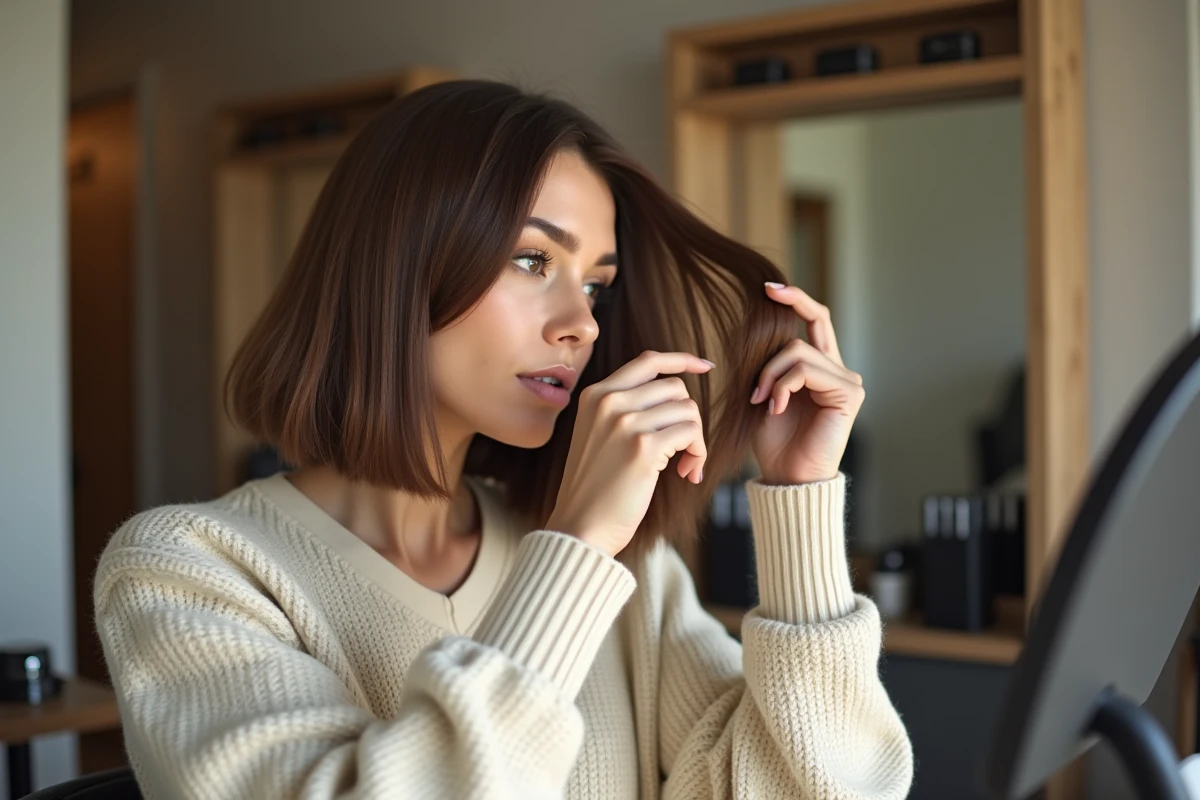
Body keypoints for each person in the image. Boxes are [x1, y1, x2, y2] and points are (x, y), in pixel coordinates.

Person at [93, 79, 914, 799]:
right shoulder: (189, 572)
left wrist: (801, 500)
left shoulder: (631, 574)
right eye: (531, 260)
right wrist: (575, 546)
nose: (583, 325)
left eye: (597, 283)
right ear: (398, 262)